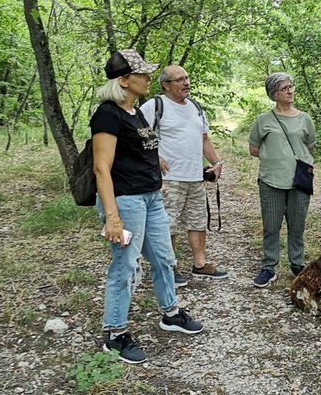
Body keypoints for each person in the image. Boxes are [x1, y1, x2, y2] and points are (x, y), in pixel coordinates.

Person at [91, 49, 204, 364]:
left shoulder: (134, 112)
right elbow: (102, 168)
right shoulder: (107, 115)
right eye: (141, 74)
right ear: (124, 80)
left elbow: (143, 152)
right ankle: (115, 334)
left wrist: (155, 178)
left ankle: (170, 313)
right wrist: (112, 218)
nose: (147, 78)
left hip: (152, 198)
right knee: (126, 265)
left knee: (165, 259)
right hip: (126, 203)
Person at [140, 65, 227, 286]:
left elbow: (204, 139)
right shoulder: (155, 106)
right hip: (168, 179)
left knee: (198, 221)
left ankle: (200, 265)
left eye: (187, 78)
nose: (186, 82)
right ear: (166, 85)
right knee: (168, 224)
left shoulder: (195, 107)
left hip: (195, 177)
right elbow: (137, 136)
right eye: (179, 80)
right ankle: (169, 267)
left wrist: (215, 162)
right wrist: (154, 157)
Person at [249, 73, 316, 287]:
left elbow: (310, 145)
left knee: (297, 225)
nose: (290, 91)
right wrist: (275, 160)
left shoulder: (304, 118)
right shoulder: (263, 120)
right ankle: (269, 267)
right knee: (271, 226)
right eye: (284, 88)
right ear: (273, 94)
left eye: (291, 86)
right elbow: (254, 148)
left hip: (300, 180)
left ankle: (297, 263)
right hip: (270, 180)